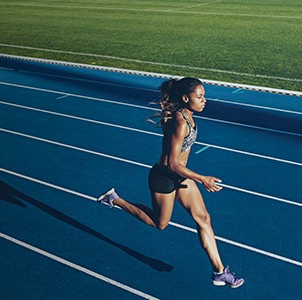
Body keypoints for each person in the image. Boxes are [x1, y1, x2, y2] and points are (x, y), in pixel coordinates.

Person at [97, 77, 244, 288]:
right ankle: (115, 200)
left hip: (180, 177)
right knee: (160, 224)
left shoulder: (185, 115)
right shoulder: (181, 123)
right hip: (164, 178)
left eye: (204, 96)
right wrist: (202, 179)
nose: (205, 101)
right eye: (200, 97)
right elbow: (173, 163)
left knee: (203, 218)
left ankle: (219, 271)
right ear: (186, 98)